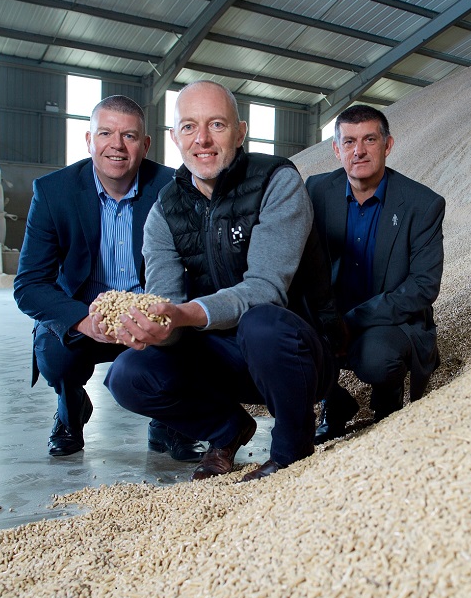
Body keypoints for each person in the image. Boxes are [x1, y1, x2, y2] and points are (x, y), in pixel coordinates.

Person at [103, 81, 341, 482]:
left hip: (295, 354)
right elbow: (166, 304)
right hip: (224, 359)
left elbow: (267, 289)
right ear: (173, 138)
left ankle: (291, 447)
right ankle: (227, 431)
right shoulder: (165, 211)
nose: (203, 140)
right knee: (127, 374)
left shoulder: (277, 181)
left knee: (261, 321)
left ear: (240, 132)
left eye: (216, 124)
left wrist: (184, 314)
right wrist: (154, 324)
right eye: (189, 127)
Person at [13, 95, 203, 462]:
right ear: (89, 140)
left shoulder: (173, 188)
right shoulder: (54, 192)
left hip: (148, 314)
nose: (117, 145)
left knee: (191, 344)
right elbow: (28, 285)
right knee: (54, 354)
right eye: (106, 133)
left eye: (129, 136)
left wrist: (167, 314)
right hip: (84, 315)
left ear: (145, 145)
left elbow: (195, 268)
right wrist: (82, 320)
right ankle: (71, 412)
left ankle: (168, 422)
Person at [307, 105, 445, 443]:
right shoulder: (316, 191)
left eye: (370, 139)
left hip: (390, 319)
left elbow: (423, 286)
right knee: (287, 344)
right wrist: (325, 319)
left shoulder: (422, 204)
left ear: (388, 145)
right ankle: (336, 403)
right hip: (330, 314)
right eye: (350, 141)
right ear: (337, 149)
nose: (359, 150)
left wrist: (352, 320)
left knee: (377, 360)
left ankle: (389, 392)